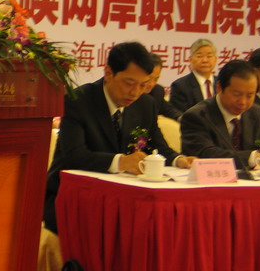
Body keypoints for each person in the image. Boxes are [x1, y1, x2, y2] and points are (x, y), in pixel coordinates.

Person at [43, 42, 194, 234]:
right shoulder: (78, 100)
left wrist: (179, 160)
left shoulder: (145, 104)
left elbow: (157, 146)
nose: (135, 92)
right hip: (74, 199)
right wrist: (121, 162)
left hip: (123, 200)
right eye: (129, 83)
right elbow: (74, 156)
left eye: (143, 85)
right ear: (108, 73)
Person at [180, 59, 260, 171]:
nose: (243, 102)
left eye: (250, 95)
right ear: (219, 87)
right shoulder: (197, 116)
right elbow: (206, 153)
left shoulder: (256, 112)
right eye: (236, 94)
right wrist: (253, 157)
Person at [169, 38, 217, 113]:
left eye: (209, 56)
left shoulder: (222, 83)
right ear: (190, 60)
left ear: (216, 59)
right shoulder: (180, 86)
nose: (205, 60)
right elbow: (181, 115)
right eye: (199, 56)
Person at [145, 53, 182, 121]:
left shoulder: (157, 90)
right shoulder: (131, 93)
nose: (151, 84)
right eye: (149, 78)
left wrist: (182, 118)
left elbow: (169, 110)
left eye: (156, 79)